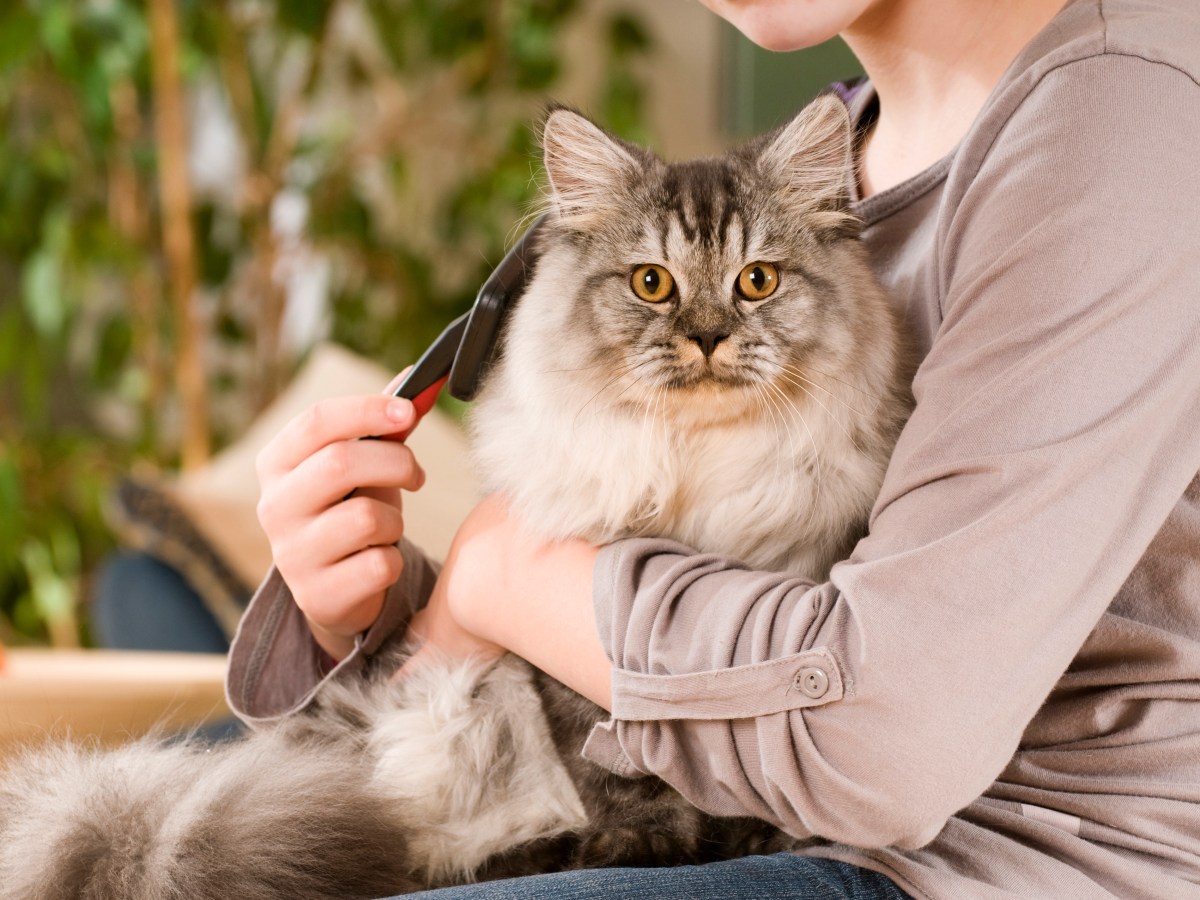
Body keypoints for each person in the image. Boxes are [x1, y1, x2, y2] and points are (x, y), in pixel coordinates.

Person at [228, 0, 1200, 897]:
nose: (702, 327)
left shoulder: (1126, 120)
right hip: (744, 816)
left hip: (1002, 858)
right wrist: (378, 605)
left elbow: (882, 738)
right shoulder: (842, 137)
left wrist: (508, 572)